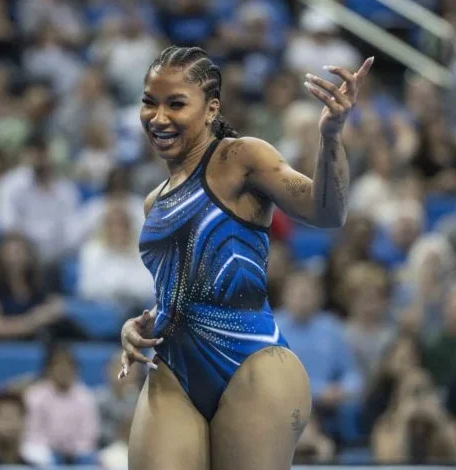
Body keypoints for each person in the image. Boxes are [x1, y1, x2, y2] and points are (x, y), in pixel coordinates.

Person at [118, 45, 373, 470]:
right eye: (149, 102)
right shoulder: (153, 203)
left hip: (253, 363)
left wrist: (329, 138)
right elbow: (181, 287)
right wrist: (138, 324)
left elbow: (327, 212)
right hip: (175, 369)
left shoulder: (239, 158)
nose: (158, 117)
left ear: (211, 108)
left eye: (175, 104)